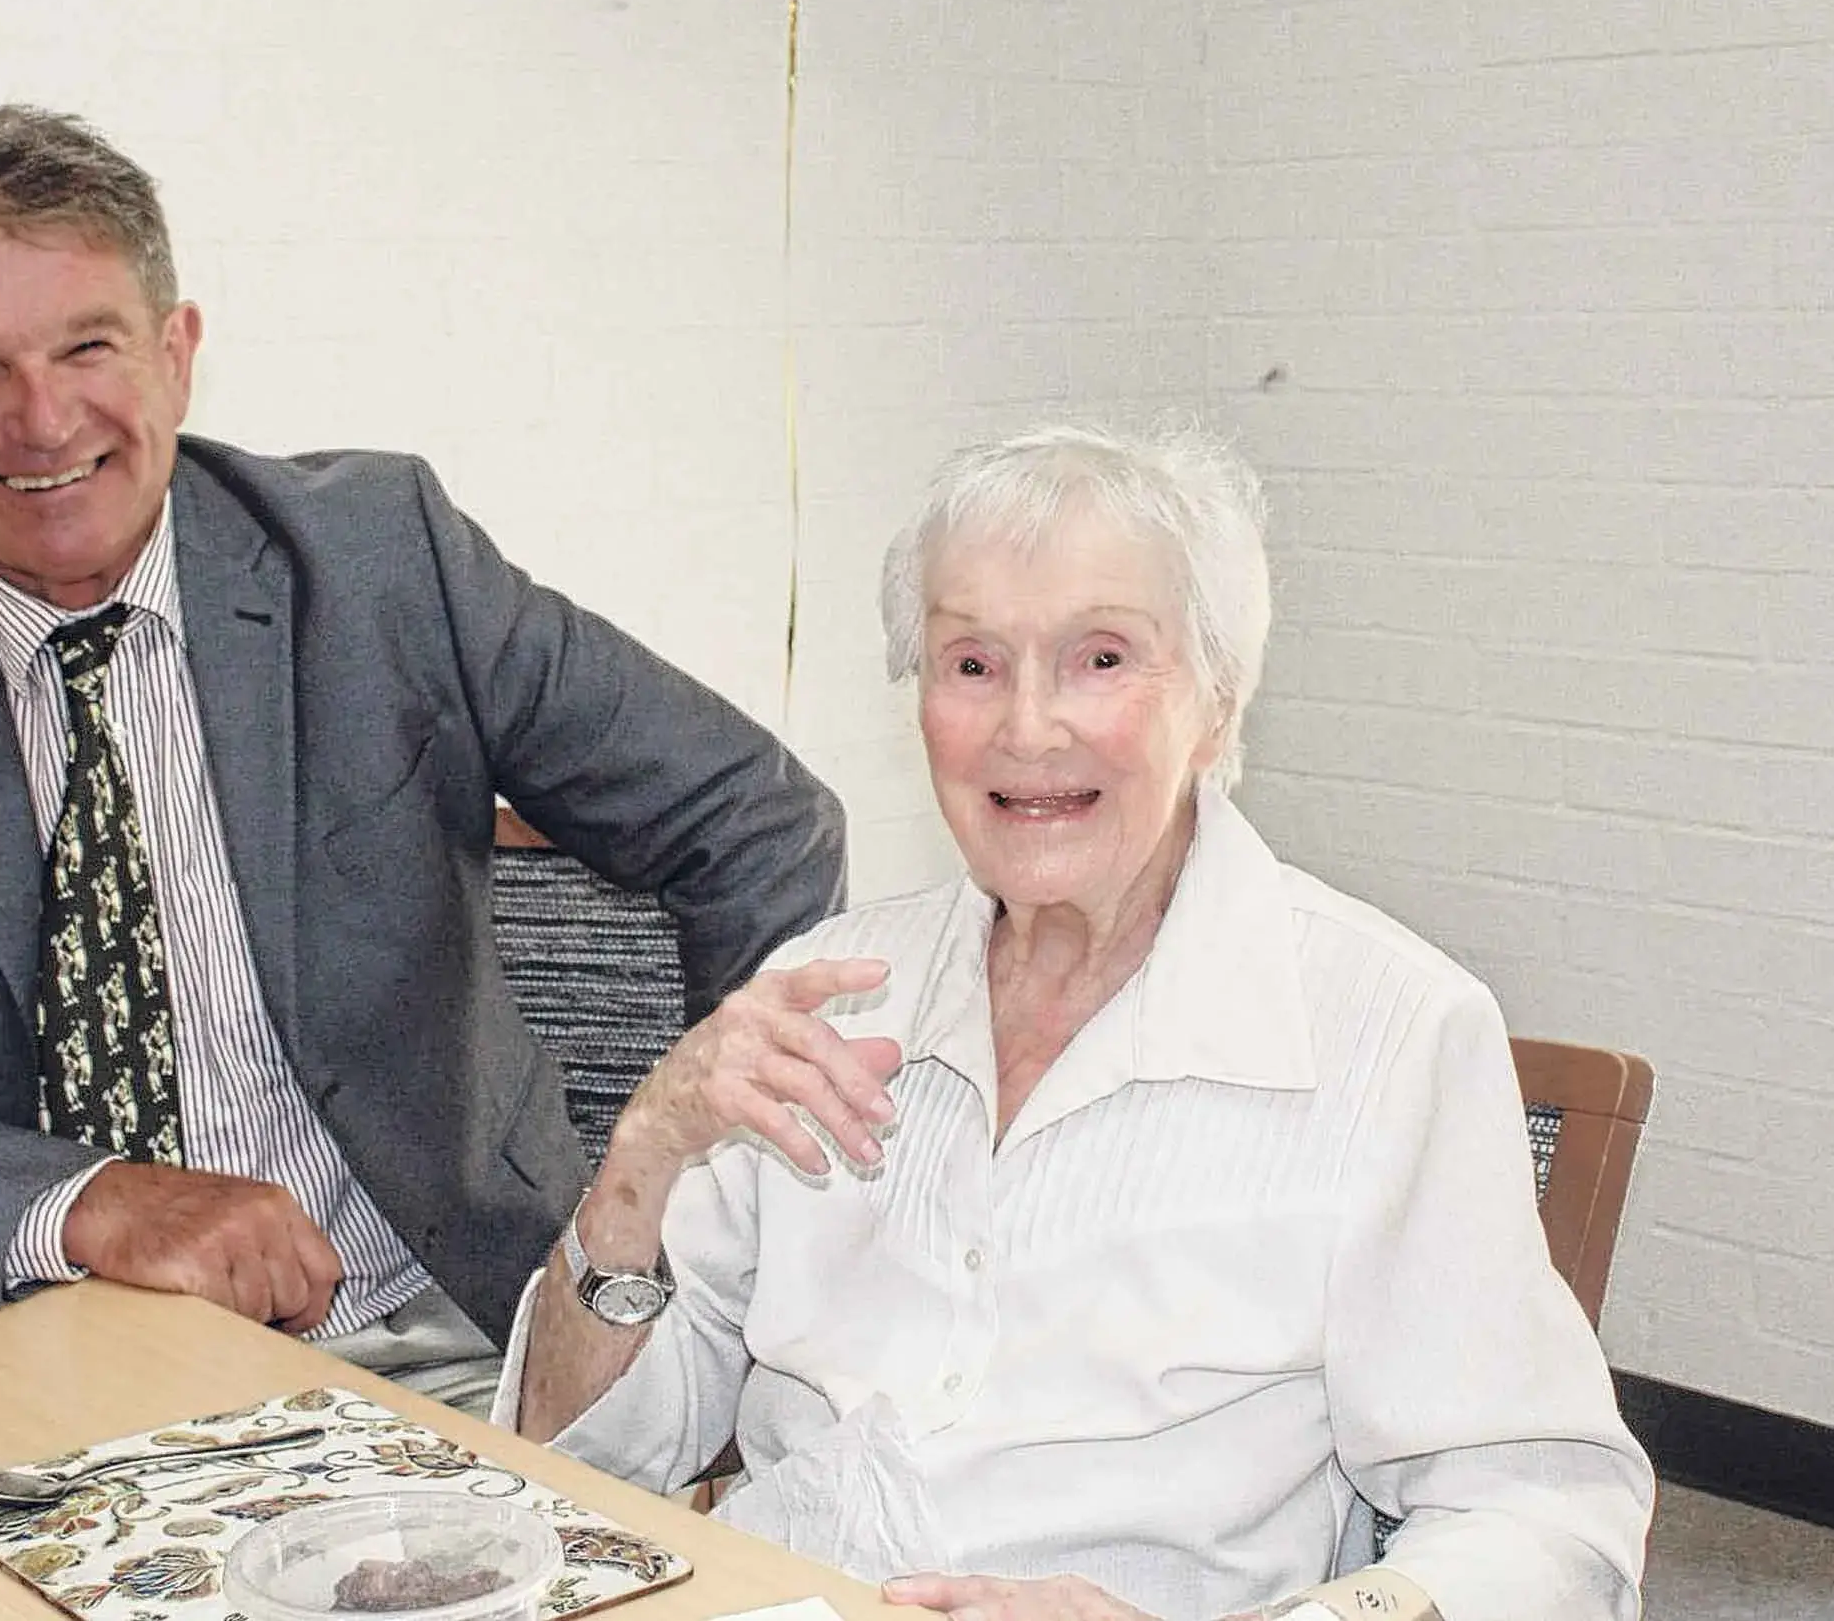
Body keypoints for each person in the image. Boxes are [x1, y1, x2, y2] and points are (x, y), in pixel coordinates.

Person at [0, 104, 845, 1414]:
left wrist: (710, 1215)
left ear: (176, 355)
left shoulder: (381, 561)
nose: (41, 417)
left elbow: (753, 819)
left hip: (455, 1339)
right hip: (54, 1385)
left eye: (88, 346)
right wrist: (83, 1201)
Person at [500, 424, 1652, 1618]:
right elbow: (565, 1469)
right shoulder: (828, 991)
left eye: (1100, 658)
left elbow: (1547, 1525)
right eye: (972, 663)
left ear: (1216, 703)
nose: (1027, 726)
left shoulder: (1387, 1034)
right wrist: (642, 1158)